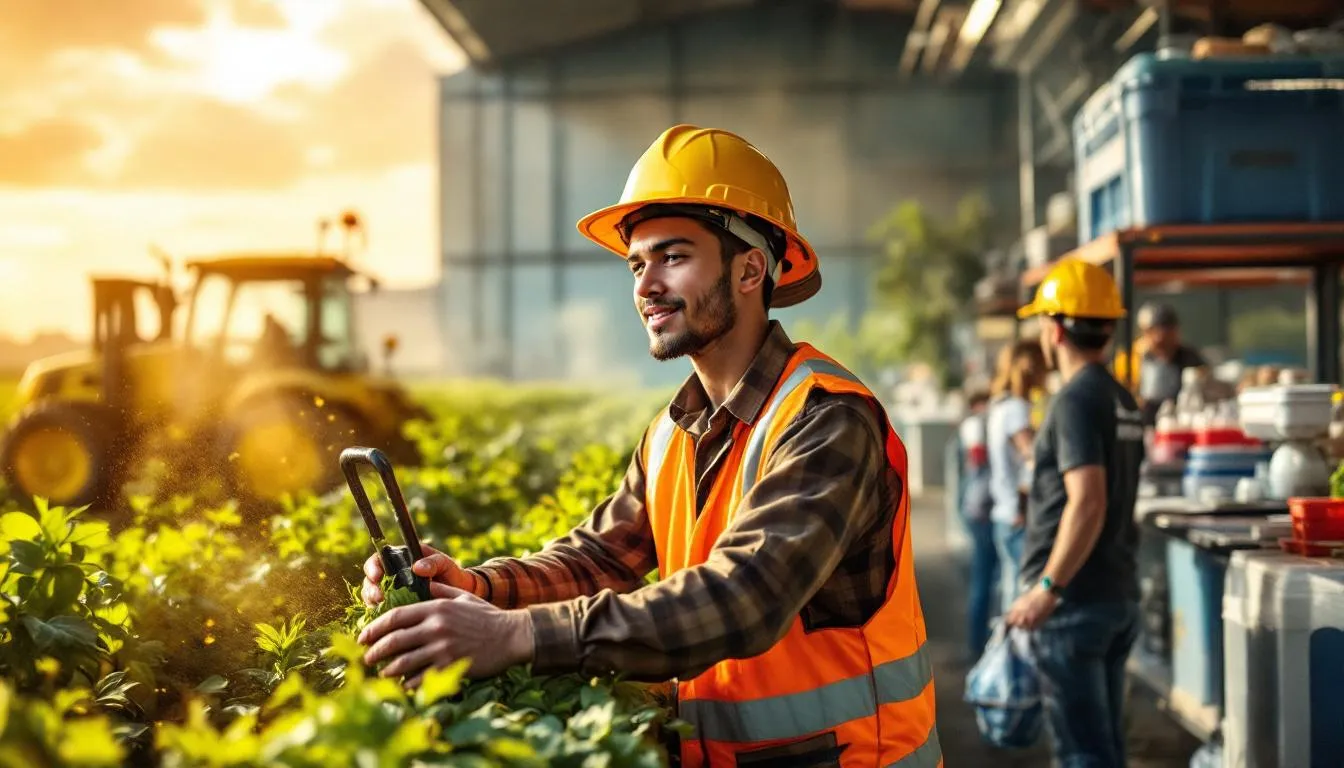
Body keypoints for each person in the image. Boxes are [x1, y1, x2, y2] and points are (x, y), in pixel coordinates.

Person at [356, 124, 941, 768]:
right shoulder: (672, 432)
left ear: (750, 269)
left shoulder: (828, 420)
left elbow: (745, 597)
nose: (644, 285)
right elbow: (598, 557)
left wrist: (516, 635)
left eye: (673, 256)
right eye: (637, 263)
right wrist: (477, 587)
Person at [1005, 258, 1146, 768]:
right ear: (1108, 327)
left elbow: (1088, 501)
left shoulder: (1074, 402)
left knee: (1083, 754)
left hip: (1074, 607)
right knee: (1104, 748)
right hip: (1113, 594)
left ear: (1055, 328)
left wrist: (1048, 589)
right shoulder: (1120, 398)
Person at [986, 340, 1047, 617]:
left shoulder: (1000, 406)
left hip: (1006, 514)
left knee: (1011, 596)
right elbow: (1033, 460)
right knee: (1020, 604)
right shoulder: (1016, 410)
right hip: (1018, 516)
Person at [956, 389, 998, 662]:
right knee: (984, 579)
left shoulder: (976, 423)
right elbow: (978, 458)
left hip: (979, 507)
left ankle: (979, 643)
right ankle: (977, 645)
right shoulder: (976, 425)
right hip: (982, 509)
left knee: (985, 578)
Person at [1136, 301, 1205, 425]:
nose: (1160, 339)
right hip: (1148, 422)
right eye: (1156, 332)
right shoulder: (1141, 357)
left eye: (1168, 332)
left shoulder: (1189, 358)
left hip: (1181, 421)